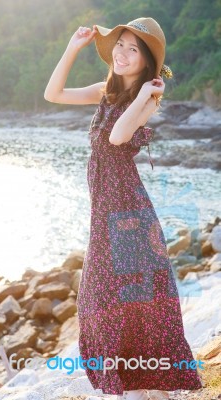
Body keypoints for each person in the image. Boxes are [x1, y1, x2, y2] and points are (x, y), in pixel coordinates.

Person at [44, 17, 203, 400]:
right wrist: (73, 46)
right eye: (120, 44)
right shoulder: (105, 91)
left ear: (148, 61)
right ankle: (136, 385)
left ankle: (145, 386)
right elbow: (54, 93)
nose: (122, 53)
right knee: (105, 298)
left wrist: (148, 93)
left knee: (122, 297)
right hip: (107, 214)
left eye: (134, 48)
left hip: (127, 217)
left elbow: (117, 137)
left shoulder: (146, 100)